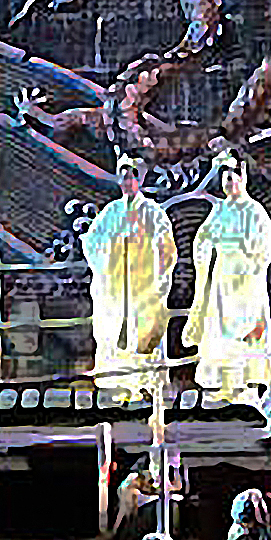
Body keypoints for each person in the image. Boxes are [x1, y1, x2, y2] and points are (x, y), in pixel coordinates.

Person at [184, 143, 271, 399]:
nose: (229, 183)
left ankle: (246, 386)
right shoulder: (219, 210)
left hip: (245, 282)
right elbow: (203, 238)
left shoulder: (255, 212)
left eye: (233, 178)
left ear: (243, 178)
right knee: (219, 331)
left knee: (244, 330)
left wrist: (239, 247)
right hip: (222, 280)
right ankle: (224, 385)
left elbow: (263, 252)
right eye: (225, 179)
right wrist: (208, 246)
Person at [79, 157, 182, 394]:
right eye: (123, 176)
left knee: (143, 332)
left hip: (142, 285)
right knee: (113, 330)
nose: (128, 181)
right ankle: (115, 381)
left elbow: (166, 248)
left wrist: (151, 268)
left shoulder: (152, 212)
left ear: (140, 179)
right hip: (115, 285)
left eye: (132, 176)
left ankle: (145, 383)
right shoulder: (111, 211)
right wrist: (112, 251)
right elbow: (93, 242)